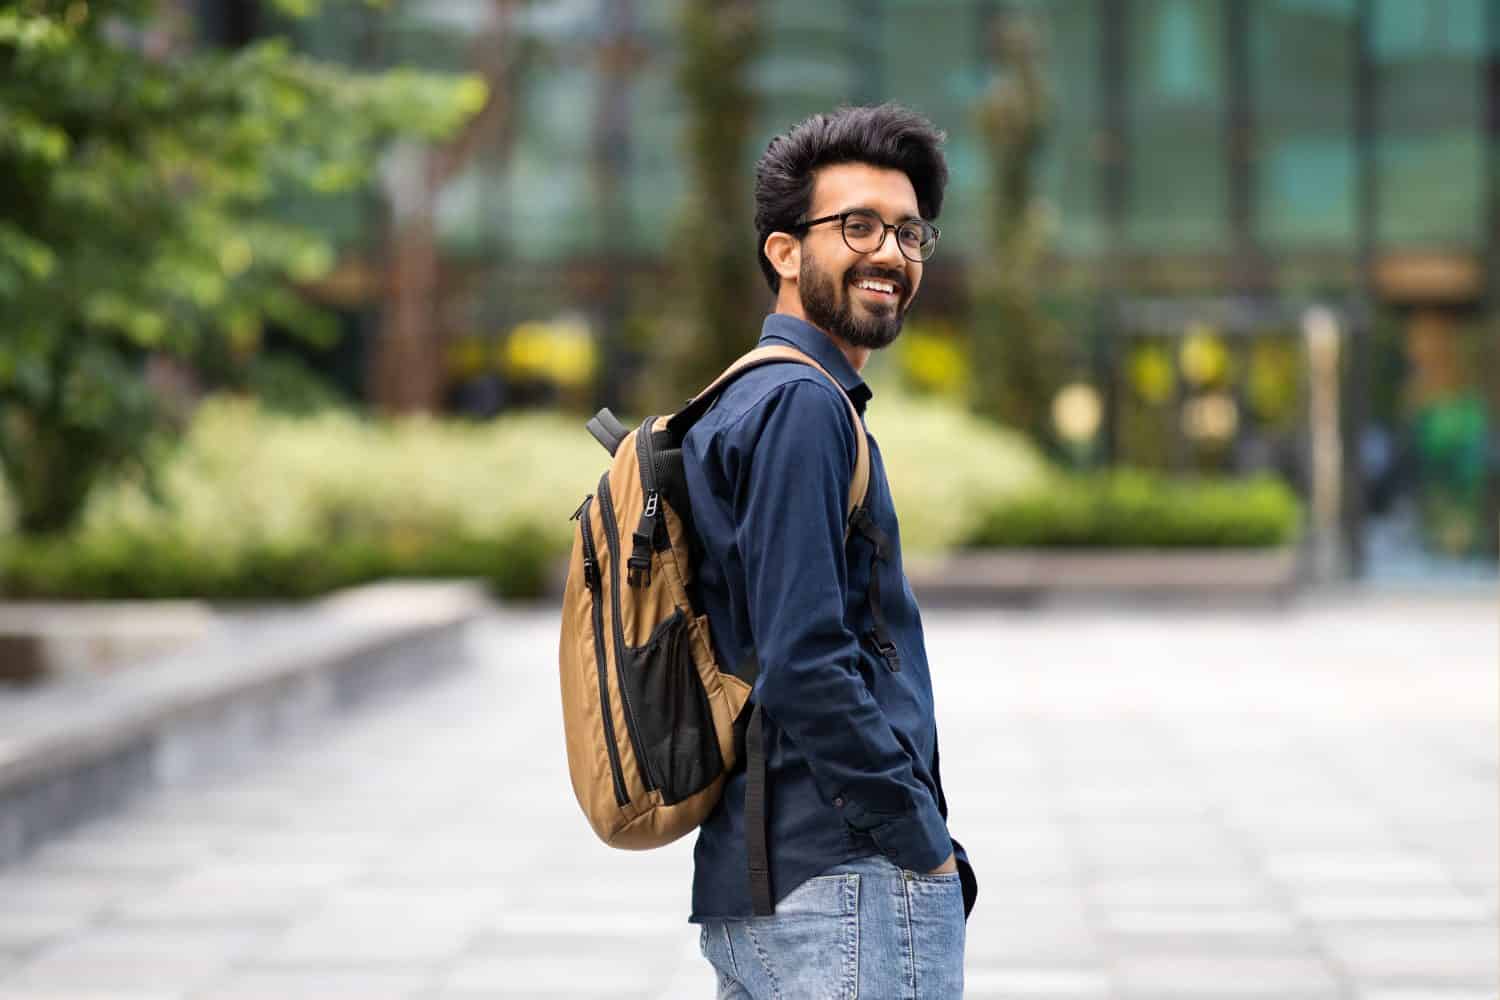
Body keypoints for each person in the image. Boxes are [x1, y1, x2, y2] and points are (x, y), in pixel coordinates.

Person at [683, 103, 977, 998]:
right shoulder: (802, 408)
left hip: (765, 878)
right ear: (784, 251)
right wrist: (920, 841)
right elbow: (803, 659)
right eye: (856, 226)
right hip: (844, 886)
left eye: (908, 231)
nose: (890, 253)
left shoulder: (741, 399)